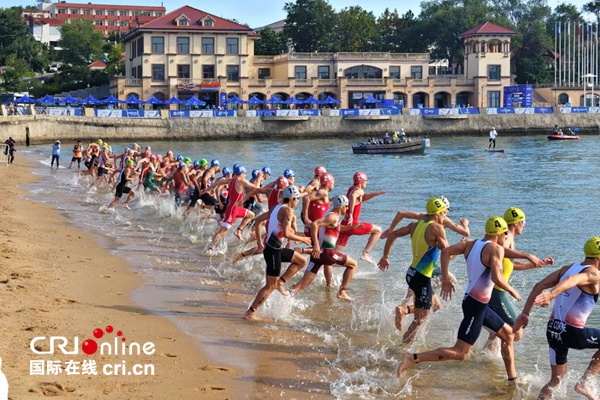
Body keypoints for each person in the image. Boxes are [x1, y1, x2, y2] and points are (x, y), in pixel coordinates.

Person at [396, 217, 543, 381]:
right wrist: (511, 289)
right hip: (476, 307)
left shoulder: (471, 244)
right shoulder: (495, 250)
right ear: (499, 234)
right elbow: (496, 277)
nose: (506, 237)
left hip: (474, 302)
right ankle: (412, 358)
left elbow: (446, 252)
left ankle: (512, 379)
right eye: (505, 234)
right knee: (460, 352)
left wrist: (445, 278)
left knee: (508, 335)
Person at [513, 237, 600, 400]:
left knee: (555, 381)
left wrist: (525, 313)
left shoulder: (568, 268)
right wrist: (551, 295)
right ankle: (585, 381)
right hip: (572, 333)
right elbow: (572, 280)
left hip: (553, 331)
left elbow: (539, 285)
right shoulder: (594, 273)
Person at [381, 195, 470, 324]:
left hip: (413, 270)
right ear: (441, 211)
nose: (446, 213)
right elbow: (452, 249)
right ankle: (404, 309)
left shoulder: (421, 220)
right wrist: (463, 239)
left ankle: (404, 308)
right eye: (445, 210)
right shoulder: (441, 224)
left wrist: (386, 252)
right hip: (423, 272)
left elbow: (400, 215)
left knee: (434, 304)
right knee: (422, 314)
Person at [377, 198, 450, 344]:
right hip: (422, 278)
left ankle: (404, 310)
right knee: (419, 320)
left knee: (436, 305)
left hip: (412, 274)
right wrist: (461, 248)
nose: (445, 216)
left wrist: (385, 256)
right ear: (437, 213)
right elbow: (447, 253)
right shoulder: (437, 228)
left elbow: (393, 234)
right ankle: (401, 350)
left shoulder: (415, 225)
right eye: (443, 213)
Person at [484, 207, 554, 357]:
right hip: (497, 292)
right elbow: (498, 251)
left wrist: (536, 265)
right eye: (523, 222)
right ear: (516, 223)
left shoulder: (509, 238)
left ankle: (486, 354)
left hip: (494, 290)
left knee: (500, 329)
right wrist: (527, 255)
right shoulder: (507, 237)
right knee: (516, 331)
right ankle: (499, 358)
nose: (524, 225)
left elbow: (511, 265)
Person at [244, 185, 311, 319]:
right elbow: (286, 234)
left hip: (276, 249)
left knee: (302, 261)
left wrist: (259, 241)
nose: (298, 202)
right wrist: (303, 239)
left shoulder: (276, 207)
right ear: (292, 199)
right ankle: (250, 313)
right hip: (273, 252)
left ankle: (281, 282)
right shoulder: (288, 211)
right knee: (269, 286)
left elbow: (258, 220)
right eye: (297, 199)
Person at [287, 195, 360, 301]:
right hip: (327, 253)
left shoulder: (331, 216)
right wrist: (316, 245)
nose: (347, 208)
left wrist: (352, 227)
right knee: (353, 265)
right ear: (341, 206)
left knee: (303, 283)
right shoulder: (332, 217)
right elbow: (314, 224)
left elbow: (336, 227)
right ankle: (342, 292)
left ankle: (285, 296)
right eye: (346, 206)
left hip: (317, 255)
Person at [335, 172, 385, 265]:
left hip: (344, 225)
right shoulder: (359, 190)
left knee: (336, 256)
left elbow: (358, 198)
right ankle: (365, 254)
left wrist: (373, 195)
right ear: (361, 181)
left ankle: (323, 268)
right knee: (378, 231)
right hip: (353, 225)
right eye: (365, 181)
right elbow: (353, 196)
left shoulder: (351, 189)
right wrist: (351, 213)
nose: (366, 183)